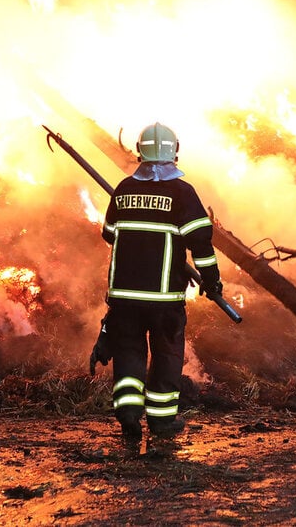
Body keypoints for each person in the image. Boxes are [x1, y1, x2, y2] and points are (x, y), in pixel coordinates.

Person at [89, 122, 223, 441]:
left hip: (123, 299)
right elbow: (201, 244)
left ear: (140, 151)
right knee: (166, 358)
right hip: (164, 301)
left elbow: (109, 234)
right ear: (175, 152)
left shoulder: (124, 189)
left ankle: (128, 416)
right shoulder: (182, 193)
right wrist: (212, 280)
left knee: (128, 356)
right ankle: (161, 422)